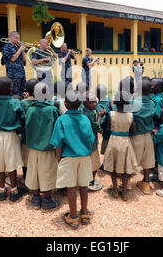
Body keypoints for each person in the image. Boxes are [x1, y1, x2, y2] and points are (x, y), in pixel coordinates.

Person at [51, 90, 95, 229]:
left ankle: (74, 217)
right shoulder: (85, 119)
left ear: (65, 104)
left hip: (68, 157)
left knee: (71, 187)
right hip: (84, 157)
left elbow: (58, 143)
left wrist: (58, 159)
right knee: (83, 186)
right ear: (81, 103)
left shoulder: (61, 120)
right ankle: (85, 213)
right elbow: (92, 139)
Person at [0, 77, 26, 202]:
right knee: (11, 164)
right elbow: (23, 118)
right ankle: (14, 190)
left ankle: (2, 190)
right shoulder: (16, 102)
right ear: (11, 89)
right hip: (11, 136)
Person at [25, 83, 61, 211]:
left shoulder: (30, 109)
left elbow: (27, 127)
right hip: (48, 147)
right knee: (48, 172)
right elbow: (58, 128)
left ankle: (35, 198)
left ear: (33, 94)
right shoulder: (52, 110)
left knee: (34, 171)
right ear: (47, 95)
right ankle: (46, 199)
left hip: (33, 147)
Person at [103, 91, 137, 201]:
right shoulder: (130, 115)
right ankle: (125, 193)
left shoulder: (111, 114)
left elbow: (108, 127)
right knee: (125, 166)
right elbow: (134, 130)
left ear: (115, 102)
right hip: (125, 142)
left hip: (113, 141)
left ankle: (115, 189)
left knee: (113, 166)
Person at [130, 79, 155, 195]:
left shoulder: (133, 102)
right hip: (148, 135)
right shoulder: (151, 103)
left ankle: (127, 182)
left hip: (136, 135)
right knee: (148, 160)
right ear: (150, 90)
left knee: (132, 159)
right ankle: (146, 184)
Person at [81, 92, 104, 192]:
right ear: (85, 103)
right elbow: (97, 127)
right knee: (94, 163)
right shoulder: (89, 114)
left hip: (83, 143)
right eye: (92, 102)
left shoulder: (83, 110)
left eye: (95, 101)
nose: (95, 104)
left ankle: (85, 180)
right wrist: (100, 117)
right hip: (92, 143)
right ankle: (91, 181)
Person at [3, 31, 27, 97]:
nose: (18, 40)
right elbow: (12, 59)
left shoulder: (17, 47)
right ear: (11, 37)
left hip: (21, 74)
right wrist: (20, 49)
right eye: (17, 38)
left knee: (22, 94)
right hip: (13, 76)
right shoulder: (6, 47)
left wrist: (23, 50)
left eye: (18, 38)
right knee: (15, 95)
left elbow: (24, 60)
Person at [96, 84, 111, 156]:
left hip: (106, 130)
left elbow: (102, 121)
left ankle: (106, 164)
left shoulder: (99, 106)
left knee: (106, 150)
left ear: (97, 95)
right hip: (114, 128)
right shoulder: (110, 100)